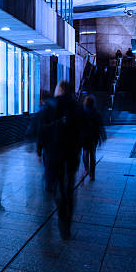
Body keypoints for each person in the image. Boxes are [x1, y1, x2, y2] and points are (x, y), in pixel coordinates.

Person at [36, 80, 84, 239]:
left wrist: (39, 149)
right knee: (68, 188)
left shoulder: (50, 106)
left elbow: (42, 130)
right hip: (71, 155)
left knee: (54, 186)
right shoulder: (77, 107)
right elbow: (81, 132)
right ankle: (66, 224)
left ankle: (57, 209)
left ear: (60, 89)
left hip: (53, 154)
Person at [81, 95, 106, 181]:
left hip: (85, 137)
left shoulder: (83, 112)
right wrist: (102, 136)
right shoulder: (96, 113)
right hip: (93, 137)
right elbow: (100, 125)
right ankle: (92, 175)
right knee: (92, 155)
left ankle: (86, 169)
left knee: (85, 153)